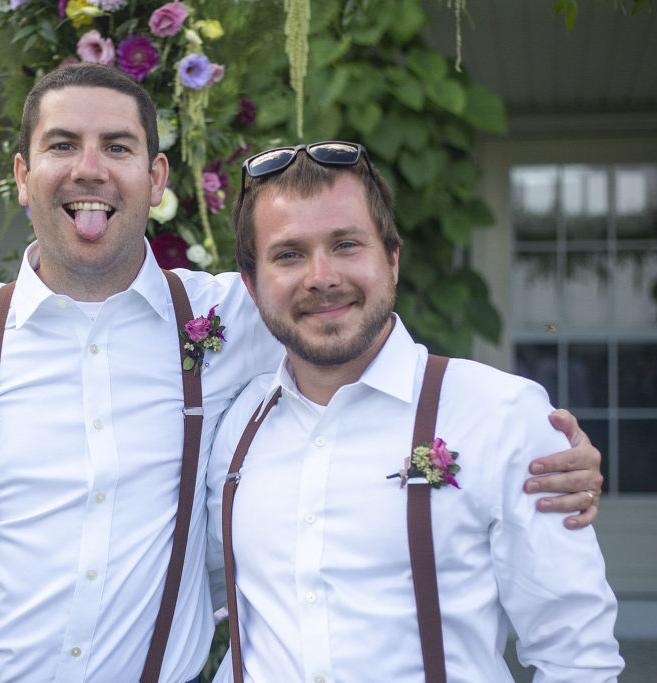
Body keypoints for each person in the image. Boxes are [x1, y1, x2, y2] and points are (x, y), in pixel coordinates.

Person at [0, 65, 601, 683]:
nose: (88, 169)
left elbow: (353, 334)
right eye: (61, 145)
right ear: (21, 174)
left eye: (118, 147)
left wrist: (534, 449)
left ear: (155, 173)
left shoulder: (237, 311)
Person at [203, 141, 623, 680]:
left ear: (393, 260)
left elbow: (577, 656)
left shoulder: (500, 415)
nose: (321, 276)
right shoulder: (237, 426)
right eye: (289, 255)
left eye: (347, 244)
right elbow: (200, 587)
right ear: (251, 286)